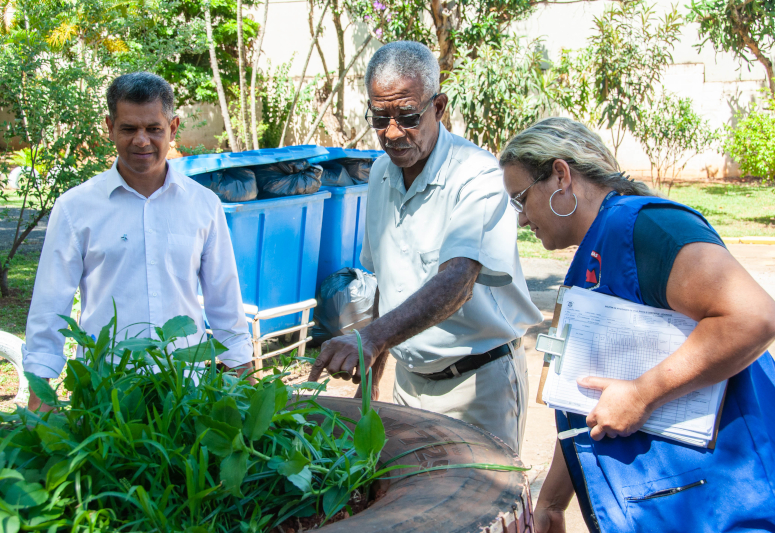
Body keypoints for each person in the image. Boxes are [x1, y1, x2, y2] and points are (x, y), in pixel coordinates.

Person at [500, 117, 775, 532]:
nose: (521, 219)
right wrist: (553, 502)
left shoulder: (642, 226)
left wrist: (644, 394)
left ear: (560, 176)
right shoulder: (592, 255)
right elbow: (589, 397)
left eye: (521, 199)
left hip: (722, 507)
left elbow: (753, 317)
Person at [307, 41, 543, 453]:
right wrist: (374, 374)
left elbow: (458, 281)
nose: (393, 132)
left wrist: (372, 338)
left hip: (477, 385)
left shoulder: (479, 176)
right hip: (409, 382)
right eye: (380, 118)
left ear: (439, 107)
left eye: (408, 116)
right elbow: (386, 281)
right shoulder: (381, 173)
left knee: (477, 512)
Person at [24, 72, 254, 410]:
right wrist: (39, 391)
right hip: (104, 392)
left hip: (185, 391)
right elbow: (50, 305)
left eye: (153, 128)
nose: (141, 141)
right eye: (129, 129)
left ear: (173, 128)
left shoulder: (203, 205)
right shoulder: (76, 208)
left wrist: (242, 373)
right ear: (110, 127)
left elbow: (224, 299)